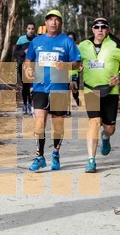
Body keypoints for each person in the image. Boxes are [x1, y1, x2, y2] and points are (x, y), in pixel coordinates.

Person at [23, 9, 81, 172]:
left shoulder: (67, 42)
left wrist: (66, 66)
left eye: (57, 19)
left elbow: (77, 63)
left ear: (60, 23)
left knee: (58, 125)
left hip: (59, 88)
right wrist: (28, 70)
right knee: (39, 123)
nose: (53, 22)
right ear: (46, 22)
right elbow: (29, 60)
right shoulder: (37, 41)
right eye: (50, 19)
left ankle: (55, 153)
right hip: (40, 87)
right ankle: (39, 156)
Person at [78, 17, 120, 173]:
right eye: (97, 27)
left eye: (103, 26)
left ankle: (106, 137)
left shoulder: (117, 44)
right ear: (92, 29)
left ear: (108, 29)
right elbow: (74, 63)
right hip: (91, 90)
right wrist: (74, 74)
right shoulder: (83, 46)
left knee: (109, 128)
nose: (100, 29)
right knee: (94, 123)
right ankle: (91, 160)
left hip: (111, 91)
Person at [14, 22, 36, 114]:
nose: (31, 31)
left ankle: (31, 105)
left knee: (32, 86)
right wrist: (24, 52)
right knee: (25, 86)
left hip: (34, 66)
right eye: (29, 28)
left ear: (34, 30)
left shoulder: (37, 39)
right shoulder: (21, 39)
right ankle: (24, 104)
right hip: (22, 66)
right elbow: (15, 52)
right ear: (26, 29)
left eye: (32, 29)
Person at [67, 31, 81, 107]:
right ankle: (67, 110)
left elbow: (81, 59)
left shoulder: (77, 47)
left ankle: (76, 98)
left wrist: (81, 66)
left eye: (72, 39)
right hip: (65, 73)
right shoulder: (64, 48)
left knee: (74, 90)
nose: (70, 40)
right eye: (69, 39)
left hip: (74, 72)